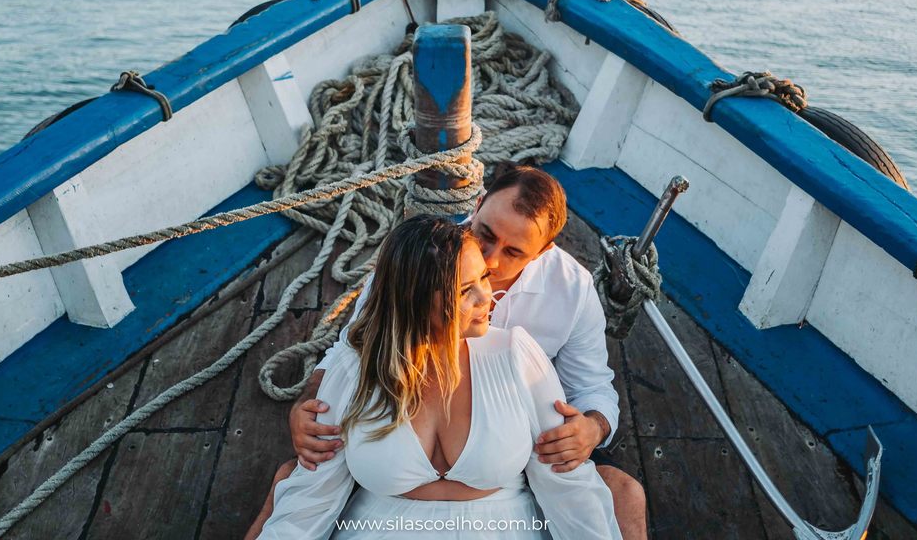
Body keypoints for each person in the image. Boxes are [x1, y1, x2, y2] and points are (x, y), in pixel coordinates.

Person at [246, 166, 648, 539]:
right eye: (486, 234)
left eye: (513, 252)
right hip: (389, 489)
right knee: (293, 477)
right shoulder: (417, 265)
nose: (490, 263)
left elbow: (592, 386)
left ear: (542, 252)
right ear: (476, 206)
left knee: (623, 493)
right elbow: (354, 346)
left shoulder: (568, 295)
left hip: (510, 459)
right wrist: (308, 403)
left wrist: (591, 428)